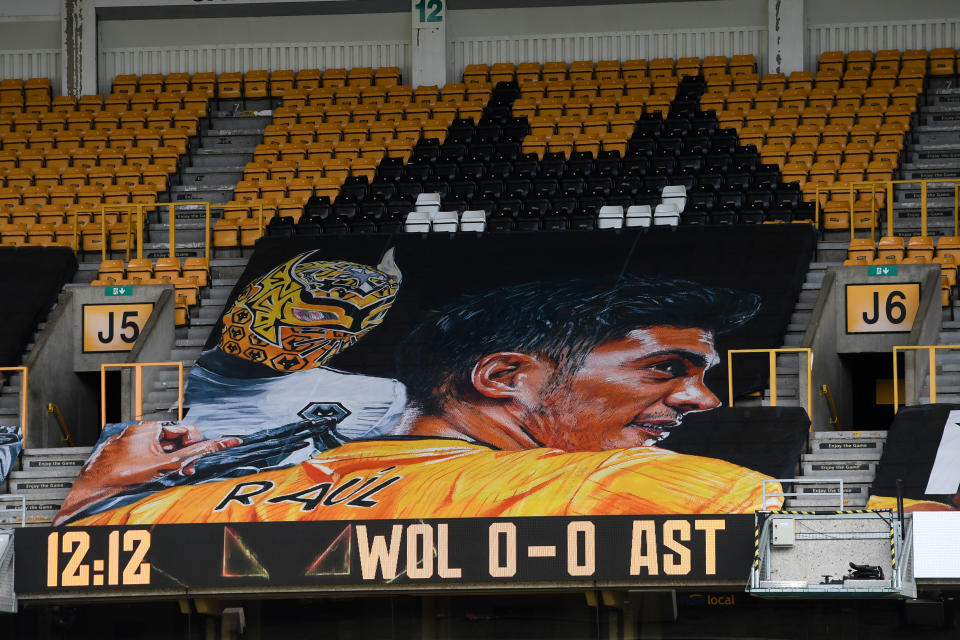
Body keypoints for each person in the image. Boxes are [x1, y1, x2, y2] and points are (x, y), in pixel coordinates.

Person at [64, 277, 950, 525]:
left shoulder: (188, 507)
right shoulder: (644, 488)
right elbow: (734, 504)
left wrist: (97, 493)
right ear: (502, 379)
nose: (700, 399)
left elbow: (77, 553)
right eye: (665, 369)